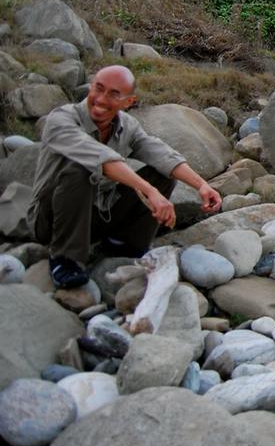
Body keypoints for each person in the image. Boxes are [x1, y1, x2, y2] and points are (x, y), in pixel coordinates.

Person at [29, 65, 222, 288]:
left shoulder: (126, 125)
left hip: (97, 216)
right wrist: (150, 192)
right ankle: (65, 258)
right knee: (80, 171)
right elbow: (102, 159)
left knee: (161, 174)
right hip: (50, 220)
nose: (101, 99)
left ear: (128, 102)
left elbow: (161, 153)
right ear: (90, 87)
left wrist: (202, 186)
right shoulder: (61, 119)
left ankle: (123, 244)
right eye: (98, 89)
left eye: (113, 94)